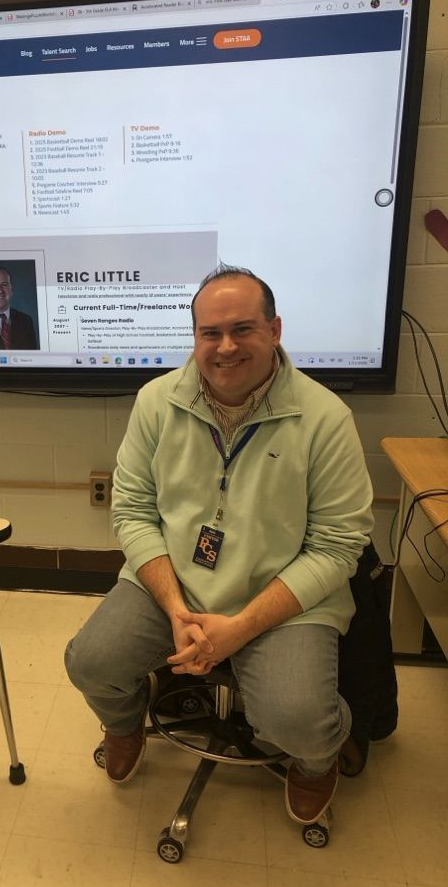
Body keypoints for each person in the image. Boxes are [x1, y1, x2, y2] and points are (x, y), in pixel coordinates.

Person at [65, 266, 374, 827]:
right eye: (211, 332)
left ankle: (317, 758)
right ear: (195, 336)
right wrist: (175, 609)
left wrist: (242, 627)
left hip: (280, 596)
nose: (225, 346)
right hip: (173, 584)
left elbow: (336, 547)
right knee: (91, 664)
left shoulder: (327, 418)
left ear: (275, 330)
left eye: (243, 329)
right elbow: (132, 511)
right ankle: (126, 721)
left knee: (297, 722)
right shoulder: (156, 402)